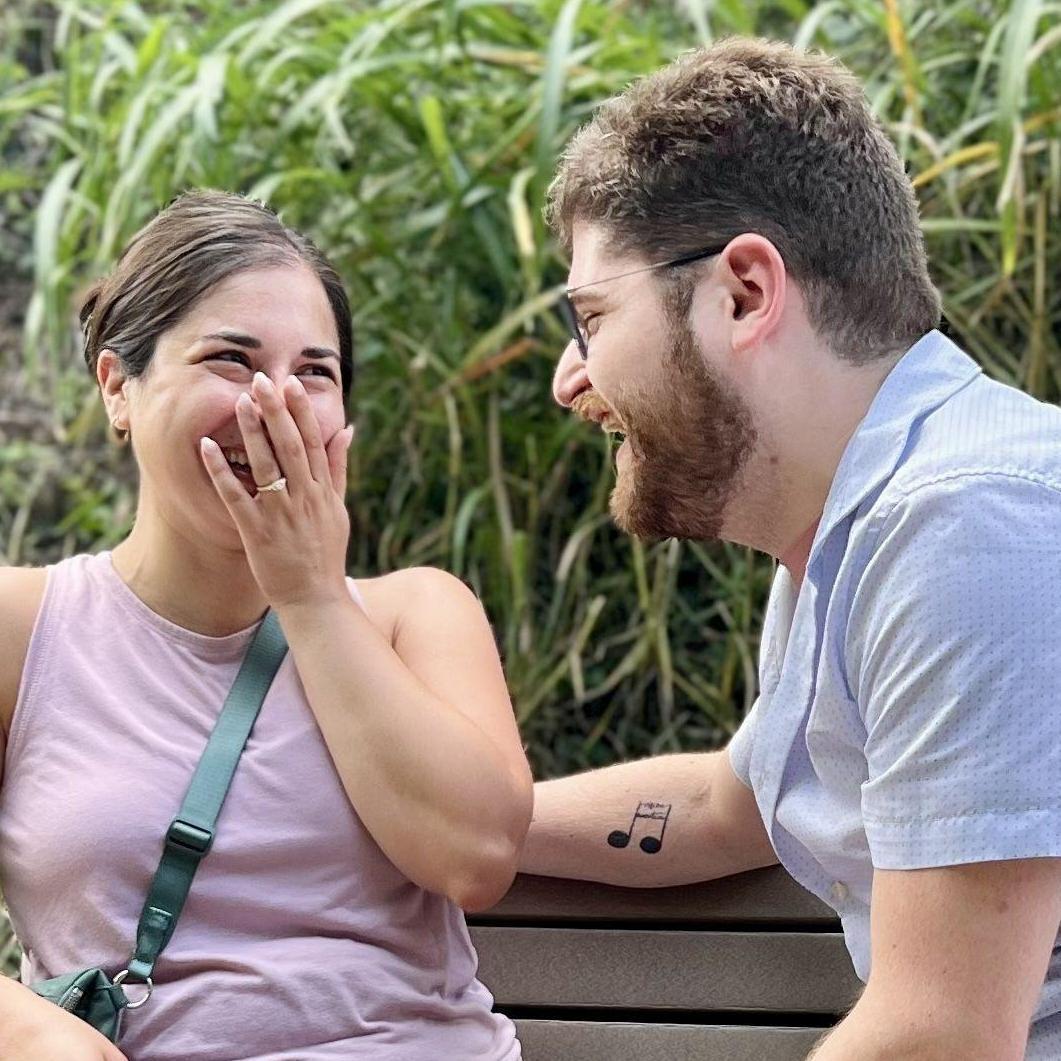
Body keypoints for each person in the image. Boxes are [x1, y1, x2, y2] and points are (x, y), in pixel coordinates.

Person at [521, 37, 1061, 1059]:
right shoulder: (852, 527)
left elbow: (939, 1033)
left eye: (591, 319)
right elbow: (725, 806)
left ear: (743, 293)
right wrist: (430, 817)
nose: (569, 379)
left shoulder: (968, 523)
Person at [0, 190, 531, 1061]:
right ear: (117, 386)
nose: (274, 405)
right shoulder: (23, 630)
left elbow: (472, 857)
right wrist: (24, 1025)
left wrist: (312, 595)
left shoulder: (416, 612)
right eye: (231, 360)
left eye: (315, 373)